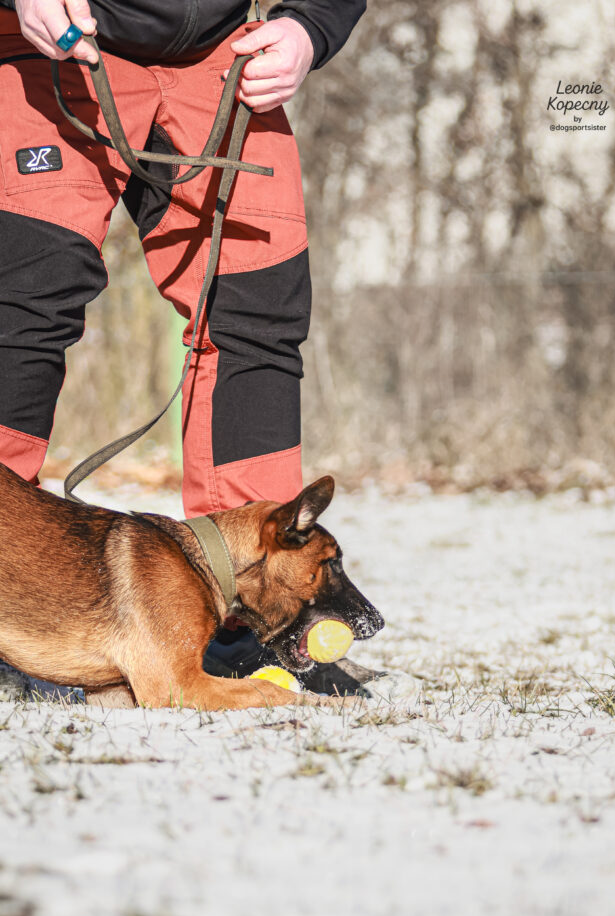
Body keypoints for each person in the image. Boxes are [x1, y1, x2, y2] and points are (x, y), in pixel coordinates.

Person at [0, 0, 372, 689]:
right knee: (19, 304)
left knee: (255, 320)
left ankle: (250, 615)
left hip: (223, 58)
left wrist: (309, 26)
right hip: (57, 42)